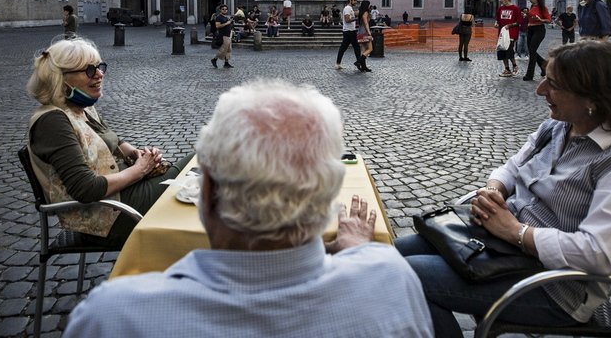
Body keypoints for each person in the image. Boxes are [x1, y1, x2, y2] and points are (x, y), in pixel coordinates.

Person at [63, 80, 433, 338]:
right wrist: (359, 250)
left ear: (205, 195)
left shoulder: (115, 317)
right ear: (326, 201)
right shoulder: (391, 278)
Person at [396, 41, 611, 337]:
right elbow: (513, 167)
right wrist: (494, 190)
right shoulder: (561, 126)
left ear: (592, 98)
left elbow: (599, 255)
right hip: (501, 248)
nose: (540, 90)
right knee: (392, 255)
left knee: (406, 276)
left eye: (553, 84)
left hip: (556, 287)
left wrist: (515, 231)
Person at [26, 38, 189, 247]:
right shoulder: (53, 121)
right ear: (61, 79)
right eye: (89, 70)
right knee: (203, 160)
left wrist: (135, 153)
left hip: (121, 198)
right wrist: (139, 170)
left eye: (99, 67)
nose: (99, 74)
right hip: (110, 217)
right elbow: (86, 189)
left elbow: (112, 139)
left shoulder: (81, 106)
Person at [523, 0, 551, 81]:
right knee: (532, 51)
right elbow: (531, 18)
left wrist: (540, 19)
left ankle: (529, 75)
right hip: (530, 29)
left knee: (532, 50)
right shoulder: (531, 7)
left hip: (539, 30)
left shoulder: (543, 8)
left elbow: (549, 20)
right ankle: (544, 65)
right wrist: (526, 15)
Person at [494, 0, 520, 77]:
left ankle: (515, 66)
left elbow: (519, 21)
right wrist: (496, 23)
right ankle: (507, 69)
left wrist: (510, 25)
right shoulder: (500, 9)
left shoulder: (515, 8)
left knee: (509, 51)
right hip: (502, 34)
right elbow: (497, 19)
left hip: (511, 33)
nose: (500, 0)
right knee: (502, 50)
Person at [335, 0, 363, 71]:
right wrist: (356, 19)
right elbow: (347, 20)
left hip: (349, 31)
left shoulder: (349, 8)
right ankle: (360, 63)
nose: (356, 2)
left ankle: (338, 64)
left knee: (344, 48)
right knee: (356, 47)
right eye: (354, 0)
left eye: (356, 0)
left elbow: (352, 15)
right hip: (349, 31)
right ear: (350, 0)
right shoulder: (347, 8)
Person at [211, 4, 234, 69]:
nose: (224, 10)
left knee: (229, 50)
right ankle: (214, 59)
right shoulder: (219, 17)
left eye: (226, 9)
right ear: (220, 10)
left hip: (228, 35)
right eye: (223, 9)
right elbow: (217, 26)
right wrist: (227, 23)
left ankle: (226, 63)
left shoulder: (226, 17)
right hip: (223, 35)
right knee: (223, 49)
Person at [356, 0, 374, 72]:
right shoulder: (365, 13)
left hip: (359, 32)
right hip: (364, 33)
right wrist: (369, 33)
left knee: (363, 50)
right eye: (369, 5)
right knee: (370, 49)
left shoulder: (360, 12)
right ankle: (358, 62)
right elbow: (366, 23)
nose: (370, 6)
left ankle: (364, 67)